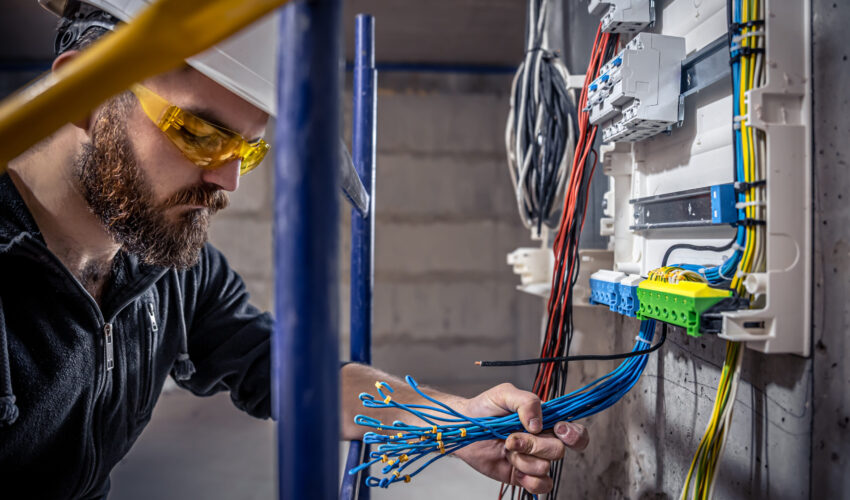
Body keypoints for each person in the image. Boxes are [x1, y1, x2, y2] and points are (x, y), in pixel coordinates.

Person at [0, 2, 589, 498]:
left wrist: (450, 420)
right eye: (200, 134)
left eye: (247, 151)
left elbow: (279, 369)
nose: (229, 181)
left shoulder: (165, 263)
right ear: (86, 96)